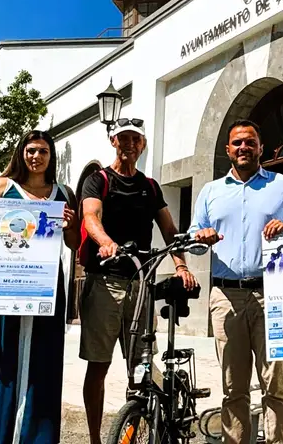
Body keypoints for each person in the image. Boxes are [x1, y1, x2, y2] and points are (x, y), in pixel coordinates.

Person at [78, 117, 196, 444]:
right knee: (98, 365)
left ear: (143, 145)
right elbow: (90, 216)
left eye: (136, 140)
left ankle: (147, 421)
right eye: (123, 139)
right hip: (105, 281)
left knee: (141, 365)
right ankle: (95, 439)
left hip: (141, 284)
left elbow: (169, 230)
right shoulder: (98, 180)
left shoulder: (151, 186)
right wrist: (104, 241)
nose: (130, 145)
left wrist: (181, 264)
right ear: (113, 142)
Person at [0, 130, 79, 444]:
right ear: (21, 153)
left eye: (42, 151)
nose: (36, 157)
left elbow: (74, 243)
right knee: (0, 358)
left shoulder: (62, 193)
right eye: (30, 150)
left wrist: (70, 224)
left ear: (51, 157)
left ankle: (34, 436)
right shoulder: (2, 186)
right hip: (2, 287)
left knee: (43, 361)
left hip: (45, 288)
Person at [190, 119, 283, 444]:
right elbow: (192, 237)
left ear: (261, 148)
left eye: (250, 142)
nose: (244, 147)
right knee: (233, 387)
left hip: (273, 294)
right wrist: (201, 237)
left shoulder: (282, 186)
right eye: (237, 143)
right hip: (225, 298)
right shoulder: (210, 192)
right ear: (228, 149)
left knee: (275, 385)